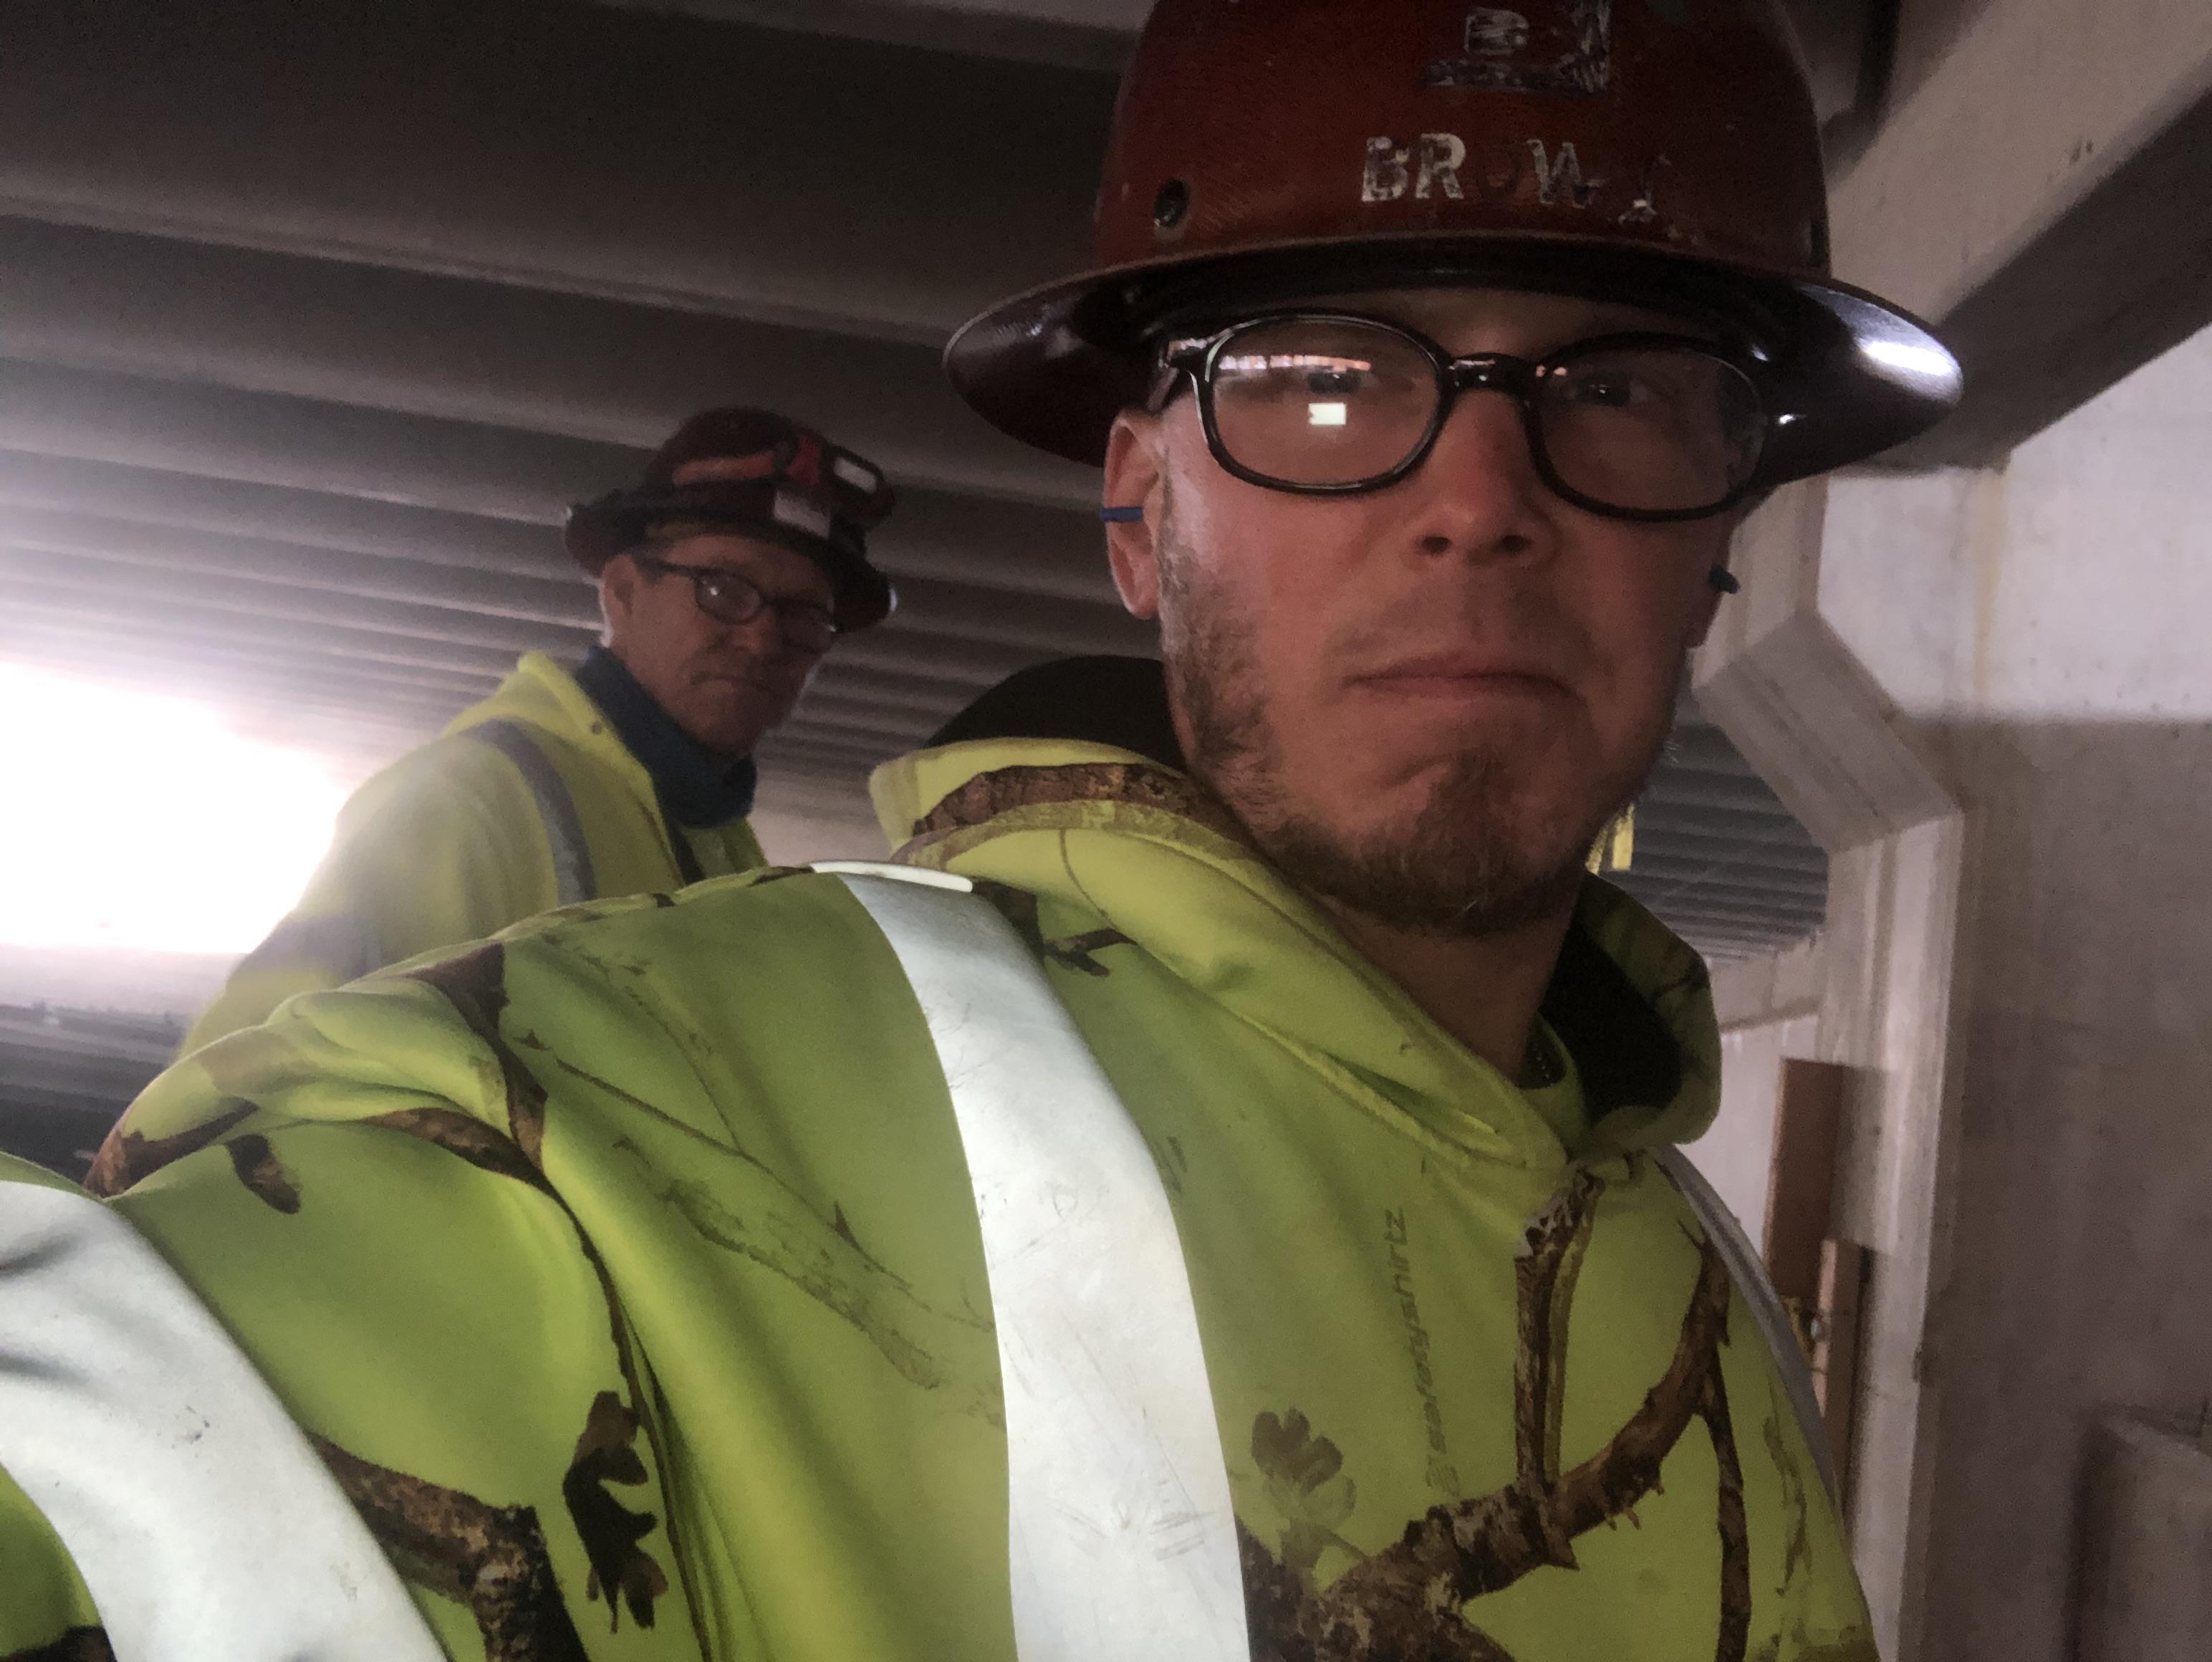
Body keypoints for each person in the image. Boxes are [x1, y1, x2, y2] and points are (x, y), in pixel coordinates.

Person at [0, 3, 1965, 1658]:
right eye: (1316, 378)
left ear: (1726, 534)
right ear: (1138, 516)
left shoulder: (1708, 1300)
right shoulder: (622, 1120)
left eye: (1614, 389)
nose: (1474, 496)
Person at [179, 407, 898, 1050]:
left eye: (804, 617)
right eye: (723, 590)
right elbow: (248, 1084)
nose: (763, 641)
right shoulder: (466, 797)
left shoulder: (719, 843)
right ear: (623, 591)